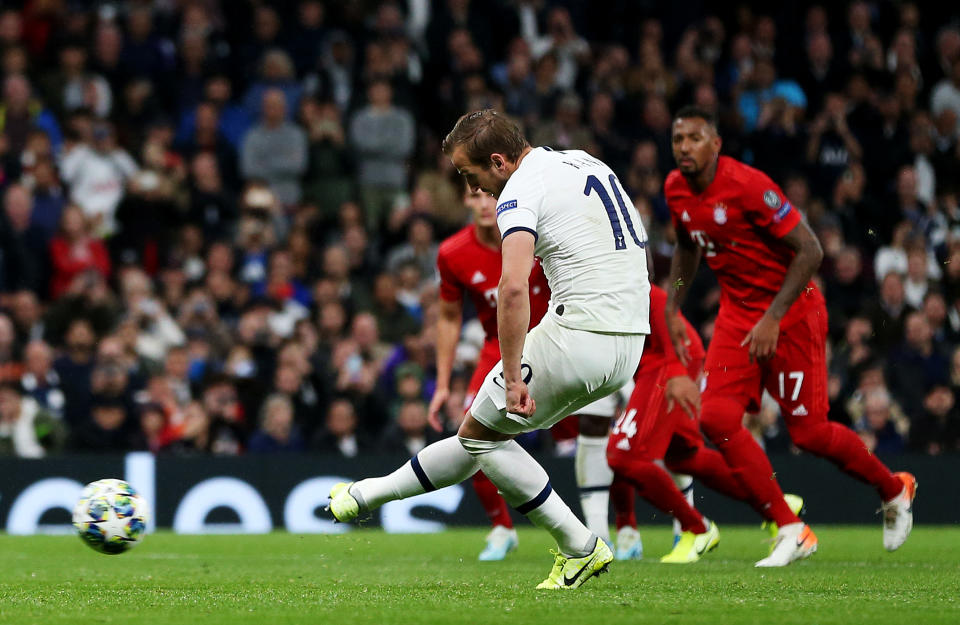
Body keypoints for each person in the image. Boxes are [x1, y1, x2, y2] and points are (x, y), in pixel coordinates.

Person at [329, 110, 650, 590]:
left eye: (469, 173)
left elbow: (514, 288)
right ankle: (366, 495)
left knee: (482, 436)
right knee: (480, 432)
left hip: (580, 333)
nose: (474, 187)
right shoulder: (585, 163)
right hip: (630, 340)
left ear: (499, 161)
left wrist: (516, 376)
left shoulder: (520, 191)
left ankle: (581, 547)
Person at [663, 106, 916, 567]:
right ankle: (790, 526)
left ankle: (894, 488)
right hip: (738, 316)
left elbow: (811, 249)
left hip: (792, 313)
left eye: (694, 138)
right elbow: (685, 246)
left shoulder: (749, 186)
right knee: (715, 419)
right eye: (678, 139)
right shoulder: (675, 188)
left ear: (716, 143)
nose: (684, 148)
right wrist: (673, 304)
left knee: (810, 432)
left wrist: (773, 318)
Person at [607, 284, 805, 563]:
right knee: (683, 456)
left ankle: (696, 528)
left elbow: (649, 289)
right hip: (660, 358)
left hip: (668, 359)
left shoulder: (610, 267)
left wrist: (675, 368)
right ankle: (776, 506)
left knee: (623, 455)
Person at [428, 181, 551, 561]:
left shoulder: (535, 235)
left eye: (491, 194)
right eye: (476, 195)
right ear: (465, 199)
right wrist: (444, 383)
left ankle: (624, 528)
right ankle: (501, 528)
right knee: (471, 434)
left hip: (551, 342)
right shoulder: (452, 253)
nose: (485, 203)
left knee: (597, 434)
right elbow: (448, 319)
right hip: (495, 351)